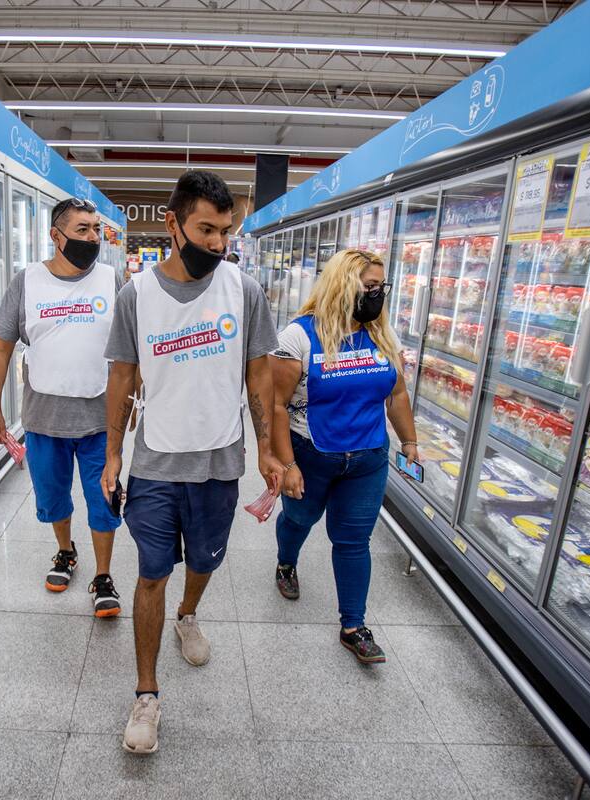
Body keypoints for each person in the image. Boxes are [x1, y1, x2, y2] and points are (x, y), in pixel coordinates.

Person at [101, 170, 282, 755]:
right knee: (151, 570)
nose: (218, 243)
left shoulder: (245, 291)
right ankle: (147, 696)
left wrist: (268, 451)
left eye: (225, 231)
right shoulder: (137, 295)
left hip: (219, 463)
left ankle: (188, 614)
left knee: (203, 562)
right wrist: (111, 454)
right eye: (205, 229)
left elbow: (260, 375)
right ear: (172, 224)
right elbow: (122, 376)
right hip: (154, 464)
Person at [269, 249, 419, 664]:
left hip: (368, 457)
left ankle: (353, 626)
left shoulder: (384, 335)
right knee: (299, 518)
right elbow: (276, 405)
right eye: (368, 287)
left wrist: (409, 442)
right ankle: (286, 562)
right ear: (342, 286)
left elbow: (398, 393)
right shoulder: (298, 336)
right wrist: (287, 465)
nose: (376, 295)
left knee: (353, 541)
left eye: (380, 288)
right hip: (312, 454)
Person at [0, 197, 124, 617]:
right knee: (54, 497)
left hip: (99, 420)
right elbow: (0, 347)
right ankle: (66, 550)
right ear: (55, 235)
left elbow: (129, 352)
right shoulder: (27, 282)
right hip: (44, 419)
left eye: (96, 229)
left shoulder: (112, 280)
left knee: (105, 500)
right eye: (82, 230)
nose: (92, 238)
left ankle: (103, 575)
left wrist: (132, 403)